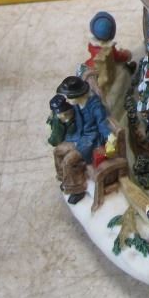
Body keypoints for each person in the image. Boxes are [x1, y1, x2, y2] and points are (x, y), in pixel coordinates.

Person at [49, 76, 113, 204]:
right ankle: (64, 178)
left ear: (78, 95)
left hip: (91, 141)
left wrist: (110, 141)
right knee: (58, 151)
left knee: (69, 160)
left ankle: (76, 189)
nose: (67, 99)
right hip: (78, 137)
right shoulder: (77, 104)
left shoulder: (95, 107)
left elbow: (103, 125)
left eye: (69, 96)